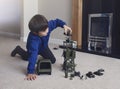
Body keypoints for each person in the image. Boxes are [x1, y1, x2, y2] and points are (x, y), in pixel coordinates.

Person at [11, 14, 72, 80]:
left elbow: (57, 21)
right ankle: (18, 49)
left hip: (44, 47)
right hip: (33, 49)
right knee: (28, 57)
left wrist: (64, 25)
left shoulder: (47, 26)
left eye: (47, 28)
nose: (47, 31)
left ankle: (41, 54)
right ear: (35, 32)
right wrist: (30, 71)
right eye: (43, 31)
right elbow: (33, 55)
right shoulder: (33, 41)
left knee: (52, 60)